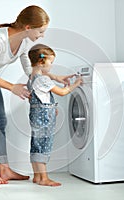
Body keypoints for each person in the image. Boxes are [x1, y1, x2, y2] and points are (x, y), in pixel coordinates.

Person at [0, 5, 73, 185]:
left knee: (0, 121)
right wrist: (13, 87)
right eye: (41, 31)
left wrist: (54, 77)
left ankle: (4, 169)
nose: (42, 36)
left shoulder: (26, 41)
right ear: (28, 27)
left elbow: (30, 70)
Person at [27, 44, 82, 186]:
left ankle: (37, 176)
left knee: (36, 143)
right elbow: (63, 92)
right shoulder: (42, 79)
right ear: (41, 62)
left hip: (36, 113)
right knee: (44, 144)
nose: (51, 65)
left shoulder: (32, 76)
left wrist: (52, 106)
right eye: (51, 62)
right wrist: (76, 84)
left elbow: (41, 95)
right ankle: (44, 178)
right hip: (44, 115)